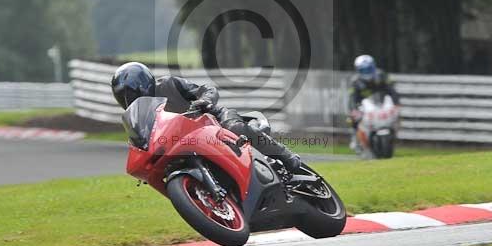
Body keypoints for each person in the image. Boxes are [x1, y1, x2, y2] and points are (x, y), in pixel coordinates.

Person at [111, 62, 302, 173]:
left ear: (144, 83)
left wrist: (204, 101)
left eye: (133, 91)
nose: (131, 97)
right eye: (124, 95)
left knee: (234, 128)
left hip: (213, 121)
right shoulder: (143, 118)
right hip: (185, 146)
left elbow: (207, 89)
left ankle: (286, 156)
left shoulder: (170, 84)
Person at [347, 54, 400, 149]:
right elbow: (352, 98)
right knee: (351, 119)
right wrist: (354, 110)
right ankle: (355, 138)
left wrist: (396, 103)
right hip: (364, 106)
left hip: (382, 103)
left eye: (369, 69)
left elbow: (392, 90)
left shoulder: (381, 75)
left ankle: (394, 134)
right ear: (358, 70)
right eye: (363, 70)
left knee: (397, 114)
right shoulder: (355, 82)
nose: (366, 72)